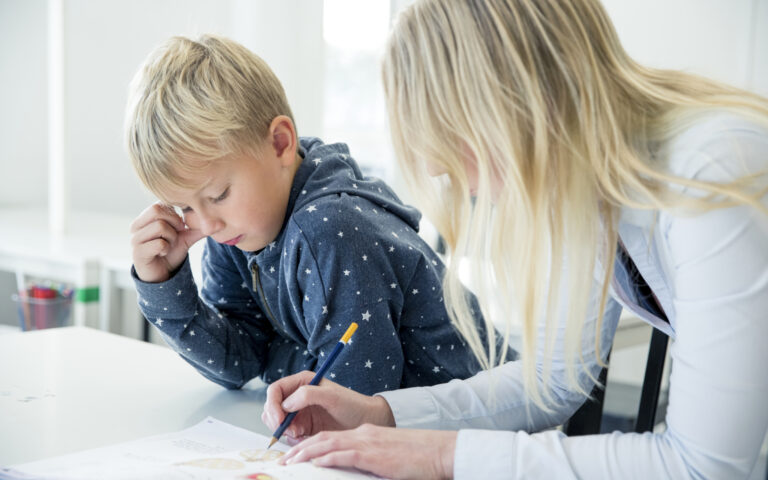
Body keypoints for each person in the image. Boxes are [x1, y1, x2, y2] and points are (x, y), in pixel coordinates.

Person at [261, 0, 768, 478]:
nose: (450, 174)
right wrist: (382, 414)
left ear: (517, 102)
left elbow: (703, 467)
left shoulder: (716, 170)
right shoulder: (582, 186)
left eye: (451, 141)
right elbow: (553, 382)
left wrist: (444, 457)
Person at [124, 34, 513, 396]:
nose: (207, 224)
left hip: (490, 425)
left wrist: (279, 356)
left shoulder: (331, 229)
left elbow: (354, 396)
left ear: (280, 143)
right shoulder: (237, 231)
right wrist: (163, 285)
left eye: (220, 194)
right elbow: (239, 362)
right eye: (187, 207)